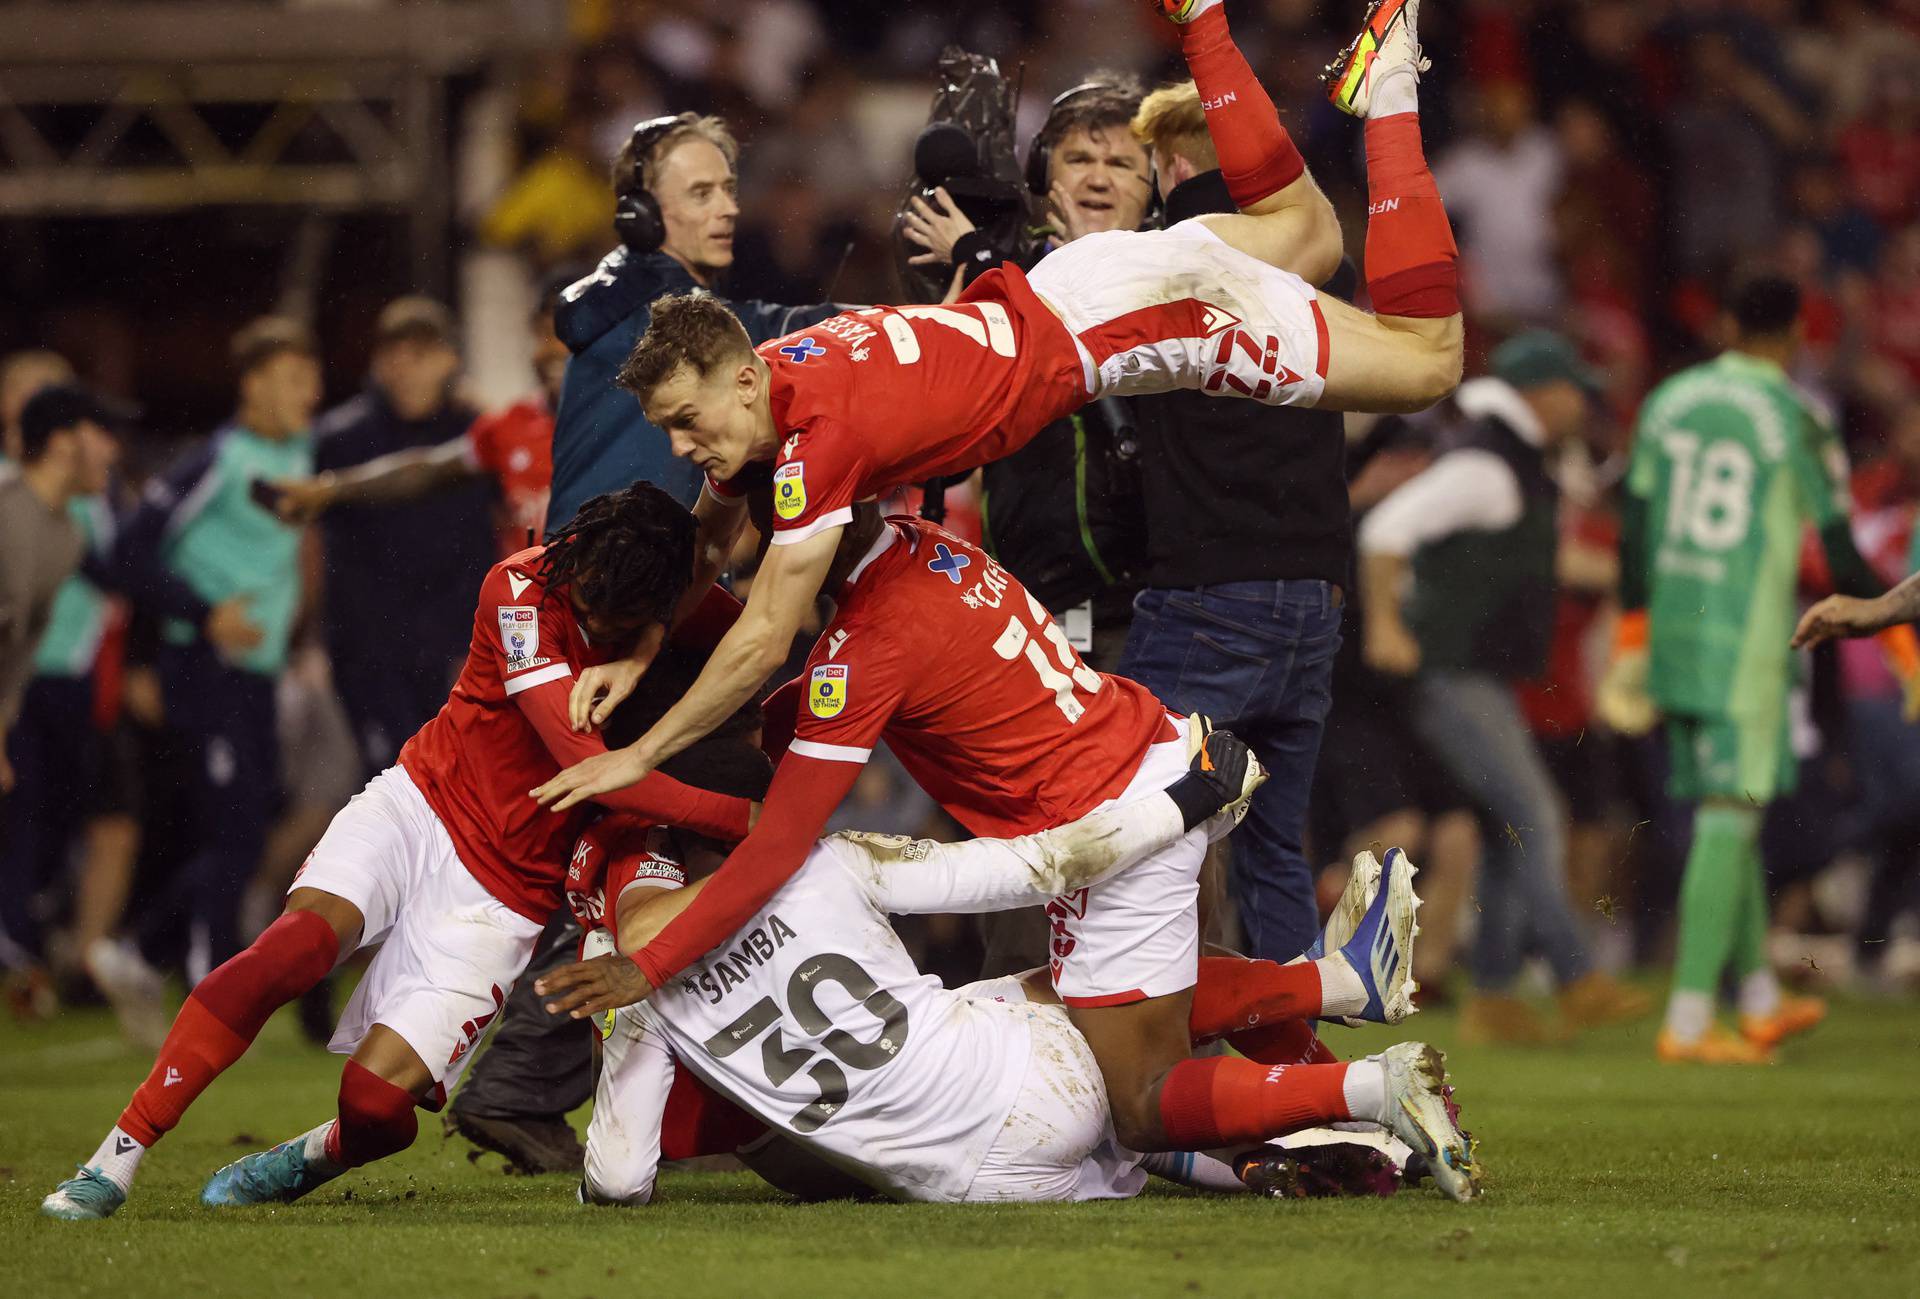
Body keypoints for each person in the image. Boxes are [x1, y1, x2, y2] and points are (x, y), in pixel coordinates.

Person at [537, 0, 1463, 824]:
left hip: (1128, 325)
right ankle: (1220, 24)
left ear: (738, 380)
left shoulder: (821, 444)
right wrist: (649, 642)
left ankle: (1384, 88)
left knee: (1429, 362)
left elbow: (763, 638)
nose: (680, 444)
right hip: (1079, 287)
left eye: (685, 421)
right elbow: (707, 540)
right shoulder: (776, 368)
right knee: (1308, 232)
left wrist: (640, 753)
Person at [535, 505, 1417, 1171]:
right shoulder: (927, 549)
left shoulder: (623, 919)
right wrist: (1186, 799)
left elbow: (628, 1166)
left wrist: (642, 964)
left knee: (1138, 1100)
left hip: (921, 1142)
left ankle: (1361, 1083)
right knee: (1122, 1039)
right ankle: (1338, 1036)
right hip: (1122, 776)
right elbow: (1010, 868)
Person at [41, 485, 763, 1220]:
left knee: (379, 1108)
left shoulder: (678, 608)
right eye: (586, 602)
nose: (589, 620)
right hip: (421, 808)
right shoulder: (518, 588)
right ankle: (113, 1159)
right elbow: (588, 764)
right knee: (289, 950)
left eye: (617, 620)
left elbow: (757, 648)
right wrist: (751, 817)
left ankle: (315, 1153)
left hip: (504, 896)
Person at [574, 745, 1480, 1205]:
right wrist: (1183, 799)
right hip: (1025, 1080)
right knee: (1094, 983)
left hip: (977, 1185)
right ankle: (1341, 1013)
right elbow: (1038, 865)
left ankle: (1276, 1144)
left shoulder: (637, 988)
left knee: (1020, 1023)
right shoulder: (825, 864)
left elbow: (619, 1179)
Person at [1602, 275, 1911, 1064]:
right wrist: (1898, 635)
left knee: (1723, 807)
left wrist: (1635, 637)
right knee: (1729, 815)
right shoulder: (1798, 415)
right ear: (1801, 331)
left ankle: (1762, 997)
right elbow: (1840, 549)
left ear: (1728, 324)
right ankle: (1693, 1017)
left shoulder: (1669, 402)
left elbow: (1633, 533)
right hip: (1744, 642)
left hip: (1673, 631)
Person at [1116, 78, 1355, 966]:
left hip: (1208, 599)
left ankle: (1150, 1066)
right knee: (1270, 853)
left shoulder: (1162, 260)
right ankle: (1300, 1073)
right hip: (1315, 600)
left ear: (1172, 163)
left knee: (1133, 832)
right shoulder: (1325, 259)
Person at [1358, 330, 1650, 1044]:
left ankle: (1493, 995)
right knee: (1536, 814)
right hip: (1449, 672)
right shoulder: (1489, 466)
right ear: (1543, 395)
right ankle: (1578, 975)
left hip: (1472, 671)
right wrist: (1386, 625)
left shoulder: (1509, 461)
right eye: (1573, 390)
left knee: (1502, 827)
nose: (1582, 403)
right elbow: (1385, 531)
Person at [109, 319, 318, 979]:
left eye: (310, 379)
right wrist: (202, 616)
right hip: (205, 666)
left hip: (256, 673)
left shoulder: (307, 453)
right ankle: (208, 978)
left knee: (246, 830)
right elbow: (130, 551)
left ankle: (140, 949)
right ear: (252, 385)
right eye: (292, 379)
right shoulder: (218, 458)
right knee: (234, 828)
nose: (307, 393)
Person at [546, 113, 837, 524]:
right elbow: (784, 330)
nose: (729, 208)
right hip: (613, 576)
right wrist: (920, 323)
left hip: (620, 569)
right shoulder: (646, 316)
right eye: (702, 194)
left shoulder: (616, 303)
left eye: (729, 190)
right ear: (642, 214)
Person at [312, 296, 495, 776]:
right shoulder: (339, 439)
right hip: (368, 651)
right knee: (387, 781)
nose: (407, 368)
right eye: (395, 354)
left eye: (423, 353)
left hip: (454, 649)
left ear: (450, 360)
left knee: (452, 785)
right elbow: (312, 548)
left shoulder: (478, 432)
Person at [270, 274, 575, 558]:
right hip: (533, 613)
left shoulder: (620, 425)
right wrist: (330, 490)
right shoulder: (505, 429)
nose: (553, 349)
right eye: (543, 335)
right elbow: (427, 471)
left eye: (569, 333)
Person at [0, 385, 127, 982]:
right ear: (59, 443)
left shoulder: (65, 533)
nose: (109, 449)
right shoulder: (8, 517)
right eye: (94, 434)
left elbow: (17, 650)